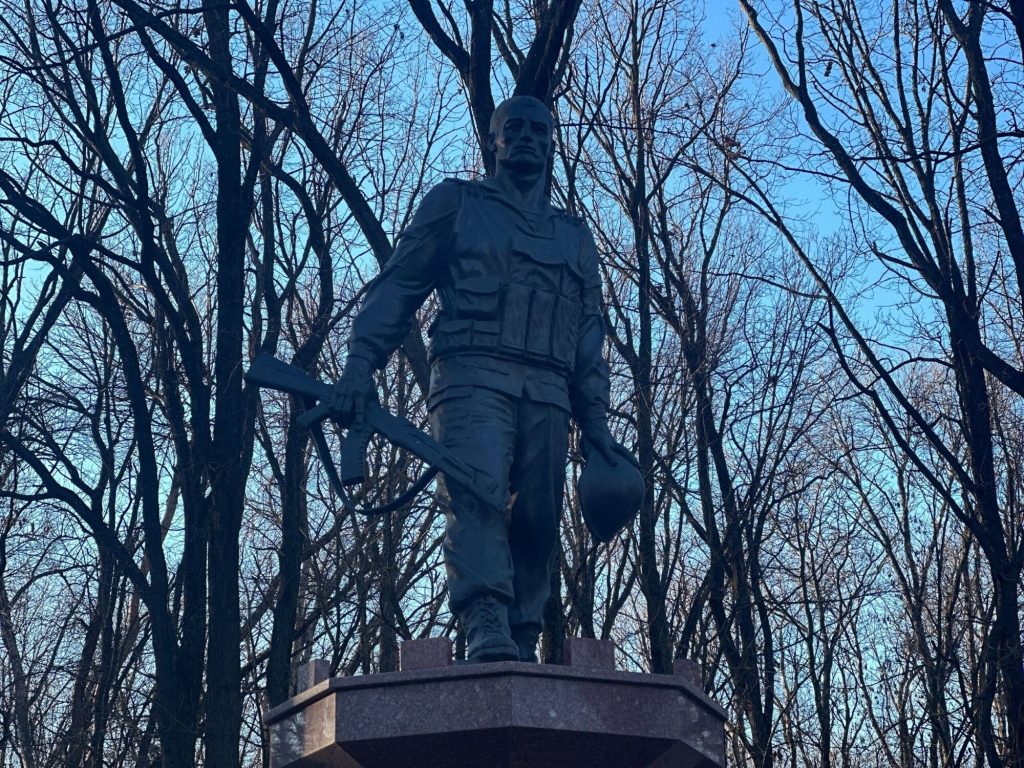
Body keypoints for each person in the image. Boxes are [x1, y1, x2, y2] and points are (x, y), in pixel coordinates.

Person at [331, 96, 627, 663]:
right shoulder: (456, 205)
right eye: (513, 128)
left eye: (539, 129)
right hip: (472, 374)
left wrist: (595, 421)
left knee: (539, 519)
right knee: (477, 495)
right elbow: (399, 286)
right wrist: (360, 364)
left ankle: (522, 630)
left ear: (552, 144)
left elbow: (588, 335)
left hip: (548, 387)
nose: (527, 136)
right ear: (493, 141)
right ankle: (484, 614)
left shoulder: (574, 237)